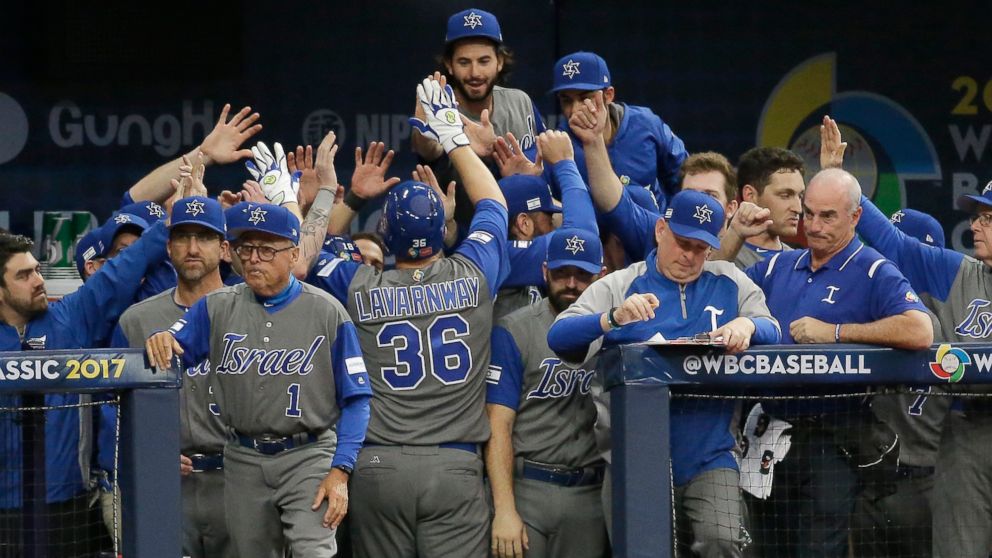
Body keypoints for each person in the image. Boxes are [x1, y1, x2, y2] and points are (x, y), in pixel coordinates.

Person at [306, 75, 509, 557]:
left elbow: (306, 256)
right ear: (444, 228)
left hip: (378, 467)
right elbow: (495, 202)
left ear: (384, 233)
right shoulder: (473, 273)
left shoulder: (358, 283)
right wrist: (453, 136)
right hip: (455, 467)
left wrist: (349, 199)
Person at [549, 189, 781, 557]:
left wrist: (748, 327)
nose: (690, 256)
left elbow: (772, 327)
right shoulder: (622, 284)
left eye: (701, 248)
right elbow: (559, 337)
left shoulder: (729, 280)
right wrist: (612, 318)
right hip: (635, 457)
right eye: (682, 242)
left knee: (721, 540)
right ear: (660, 230)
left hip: (710, 453)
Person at [145, 203, 372, 558]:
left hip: (309, 454)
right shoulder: (215, 306)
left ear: (294, 254)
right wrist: (162, 339)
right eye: (245, 249)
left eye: (266, 250)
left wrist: (341, 470)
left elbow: (357, 399)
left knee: (314, 552)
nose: (253, 259)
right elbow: (174, 346)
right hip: (243, 457)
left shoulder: (328, 312)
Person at [744, 168, 933, 558]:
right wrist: (732, 234)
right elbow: (716, 283)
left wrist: (835, 332)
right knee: (765, 549)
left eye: (827, 216)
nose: (813, 225)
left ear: (855, 217)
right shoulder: (779, 266)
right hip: (769, 436)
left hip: (832, 437)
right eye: (808, 213)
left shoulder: (872, 268)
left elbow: (920, 330)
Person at [0, 216, 169, 556]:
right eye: (23, 275)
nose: (38, 281)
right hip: (4, 507)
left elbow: (122, 270)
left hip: (67, 505)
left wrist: (169, 221)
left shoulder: (69, 317)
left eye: (36, 270)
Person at [111, 196, 233, 557]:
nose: (192, 248)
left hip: (238, 478)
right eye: (182, 237)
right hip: (166, 483)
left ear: (225, 248)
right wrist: (146, 451)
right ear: (168, 247)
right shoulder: (136, 320)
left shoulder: (250, 311)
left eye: (205, 237)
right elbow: (111, 408)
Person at [487, 226, 608, 558]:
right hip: (529, 488)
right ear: (544, 271)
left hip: (590, 492)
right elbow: (498, 425)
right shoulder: (515, 329)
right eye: (561, 273)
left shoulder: (613, 331)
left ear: (602, 275)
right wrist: (505, 509)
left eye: (582, 274)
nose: (570, 284)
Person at [412, 8, 545, 226]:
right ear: (449, 65)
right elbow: (428, 149)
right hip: (461, 243)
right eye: (464, 62)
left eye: (484, 61)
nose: (475, 73)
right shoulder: (439, 108)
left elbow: (546, 165)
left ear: (499, 62)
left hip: (521, 238)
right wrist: (427, 130)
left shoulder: (521, 102)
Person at [549, 51, 687, 209]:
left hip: (654, 227)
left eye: (584, 98)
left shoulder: (646, 123)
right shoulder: (558, 146)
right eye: (566, 100)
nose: (575, 110)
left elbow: (686, 179)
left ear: (608, 95)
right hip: (594, 232)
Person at [494, 130, 599, 319]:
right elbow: (582, 233)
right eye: (548, 217)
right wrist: (564, 164)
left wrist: (526, 183)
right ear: (524, 224)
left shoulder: (491, 250)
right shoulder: (504, 257)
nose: (554, 225)